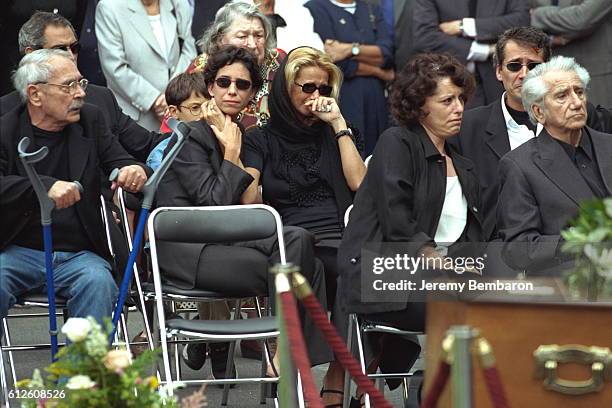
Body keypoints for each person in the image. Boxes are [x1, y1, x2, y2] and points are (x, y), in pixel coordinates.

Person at [155, 45, 332, 381]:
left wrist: (235, 150)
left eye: (242, 84)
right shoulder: (190, 135)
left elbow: (249, 206)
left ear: (253, 93)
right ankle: (288, 357)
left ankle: (286, 354)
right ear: (210, 87)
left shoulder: (240, 134)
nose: (232, 90)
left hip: (229, 242)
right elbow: (212, 207)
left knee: (299, 242)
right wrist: (231, 153)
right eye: (224, 83)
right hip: (191, 253)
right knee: (303, 262)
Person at [336, 53, 483, 405]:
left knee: (509, 300)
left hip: (441, 277)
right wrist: (440, 263)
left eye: (461, 99)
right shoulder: (397, 142)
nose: (459, 108)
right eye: (447, 100)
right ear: (419, 107)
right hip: (382, 272)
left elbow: (474, 234)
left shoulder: (462, 162)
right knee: (466, 304)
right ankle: (433, 389)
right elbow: (397, 220)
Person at [241, 47, 366, 401]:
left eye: (324, 90)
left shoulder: (335, 133)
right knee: (312, 251)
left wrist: (340, 126)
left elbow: (359, 183)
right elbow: (249, 200)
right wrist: (235, 151)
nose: (316, 97)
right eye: (307, 88)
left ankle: (335, 381)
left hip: (339, 234)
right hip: (289, 238)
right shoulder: (260, 137)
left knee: (353, 265)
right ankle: (293, 357)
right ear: (285, 89)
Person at [0, 49, 149, 325]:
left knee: (99, 283)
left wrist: (134, 169)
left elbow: (121, 160)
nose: (80, 93)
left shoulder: (91, 120)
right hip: (18, 250)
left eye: (81, 83)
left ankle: (85, 369)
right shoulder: (6, 129)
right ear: (35, 94)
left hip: (80, 254)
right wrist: (46, 186)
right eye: (68, 86)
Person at [454, 27, 612, 246]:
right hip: (495, 248)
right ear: (499, 71)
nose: (524, 74)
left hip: (570, 246)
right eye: (514, 65)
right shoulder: (468, 127)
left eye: (534, 66)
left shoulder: (582, 113)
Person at [0, 11, 165, 164]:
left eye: (74, 48)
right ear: (31, 54)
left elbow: (147, 145)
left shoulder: (101, 98)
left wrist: (188, 130)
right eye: (60, 50)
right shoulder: (6, 113)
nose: (71, 56)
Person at [498, 56, 612, 275]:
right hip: (571, 287)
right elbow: (518, 249)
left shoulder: (609, 145)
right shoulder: (520, 166)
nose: (577, 102)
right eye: (562, 96)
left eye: (579, 92)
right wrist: (583, 244)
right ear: (539, 112)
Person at [305, 0, 394, 156]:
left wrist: (350, 49)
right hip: (343, 100)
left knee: (379, 159)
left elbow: (386, 55)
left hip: (376, 104)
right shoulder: (315, 8)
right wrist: (379, 72)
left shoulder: (371, 8)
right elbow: (335, 62)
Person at [95, 0, 197, 130]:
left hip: (177, 112)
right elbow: (115, 68)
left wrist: (173, 94)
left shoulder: (179, 4)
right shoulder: (109, 7)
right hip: (135, 121)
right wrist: (154, 100)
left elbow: (189, 52)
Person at [188, 1, 285, 131]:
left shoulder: (279, 61)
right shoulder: (200, 68)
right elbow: (175, 122)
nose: (252, 44)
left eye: (258, 36)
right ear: (219, 39)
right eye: (242, 36)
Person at [413, 0, 530, 107]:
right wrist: (485, 50)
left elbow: (522, 20)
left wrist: (465, 26)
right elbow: (425, 36)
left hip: (499, 84)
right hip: (453, 83)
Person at [530, 0, 612, 107]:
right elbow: (522, 20)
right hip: (549, 76)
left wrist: (537, 15)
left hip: (594, 77)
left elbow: (581, 19)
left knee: (598, 122)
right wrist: (550, 39)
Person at [146, 72, 209, 170]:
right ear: (174, 111)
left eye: (209, 107)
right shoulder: (161, 155)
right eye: (195, 108)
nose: (204, 114)